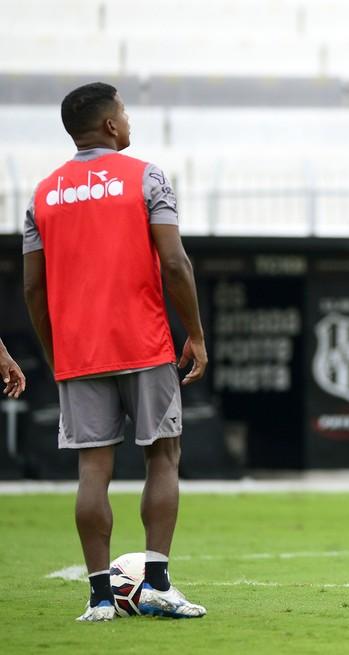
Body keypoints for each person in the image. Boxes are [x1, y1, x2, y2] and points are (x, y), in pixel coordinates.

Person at [23, 82, 209, 620]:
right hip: (145, 343)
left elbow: (34, 290)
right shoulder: (144, 176)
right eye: (123, 112)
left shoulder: (43, 193)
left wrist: (57, 351)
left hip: (79, 353)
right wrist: (194, 334)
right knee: (163, 456)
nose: (128, 120)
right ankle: (156, 583)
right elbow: (175, 264)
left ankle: (100, 597)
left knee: (93, 470)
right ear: (109, 125)